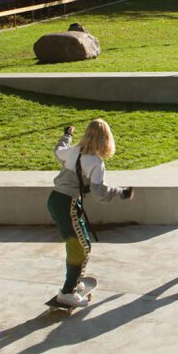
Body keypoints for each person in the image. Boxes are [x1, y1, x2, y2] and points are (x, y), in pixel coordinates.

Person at [46, 119, 133, 309]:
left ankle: (74, 283)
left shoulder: (74, 151)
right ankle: (67, 293)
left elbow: (58, 151)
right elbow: (99, 193)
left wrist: (67, 135)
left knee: (81, 244)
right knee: (81, 247)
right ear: (106, 139)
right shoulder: (96, 162)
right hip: (66, 203)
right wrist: (121, 192)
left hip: (56, 199)